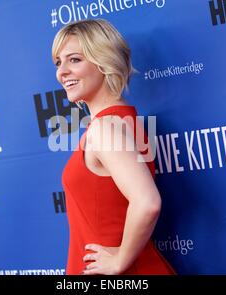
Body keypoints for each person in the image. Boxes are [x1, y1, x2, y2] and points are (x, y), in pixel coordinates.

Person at [52, 18, 176, 275]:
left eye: (74, 59)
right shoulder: (122, 121)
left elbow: (147, 201)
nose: (62, 71)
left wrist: (119, 260)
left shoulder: (104, 129)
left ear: (104, 61)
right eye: (58, 62)